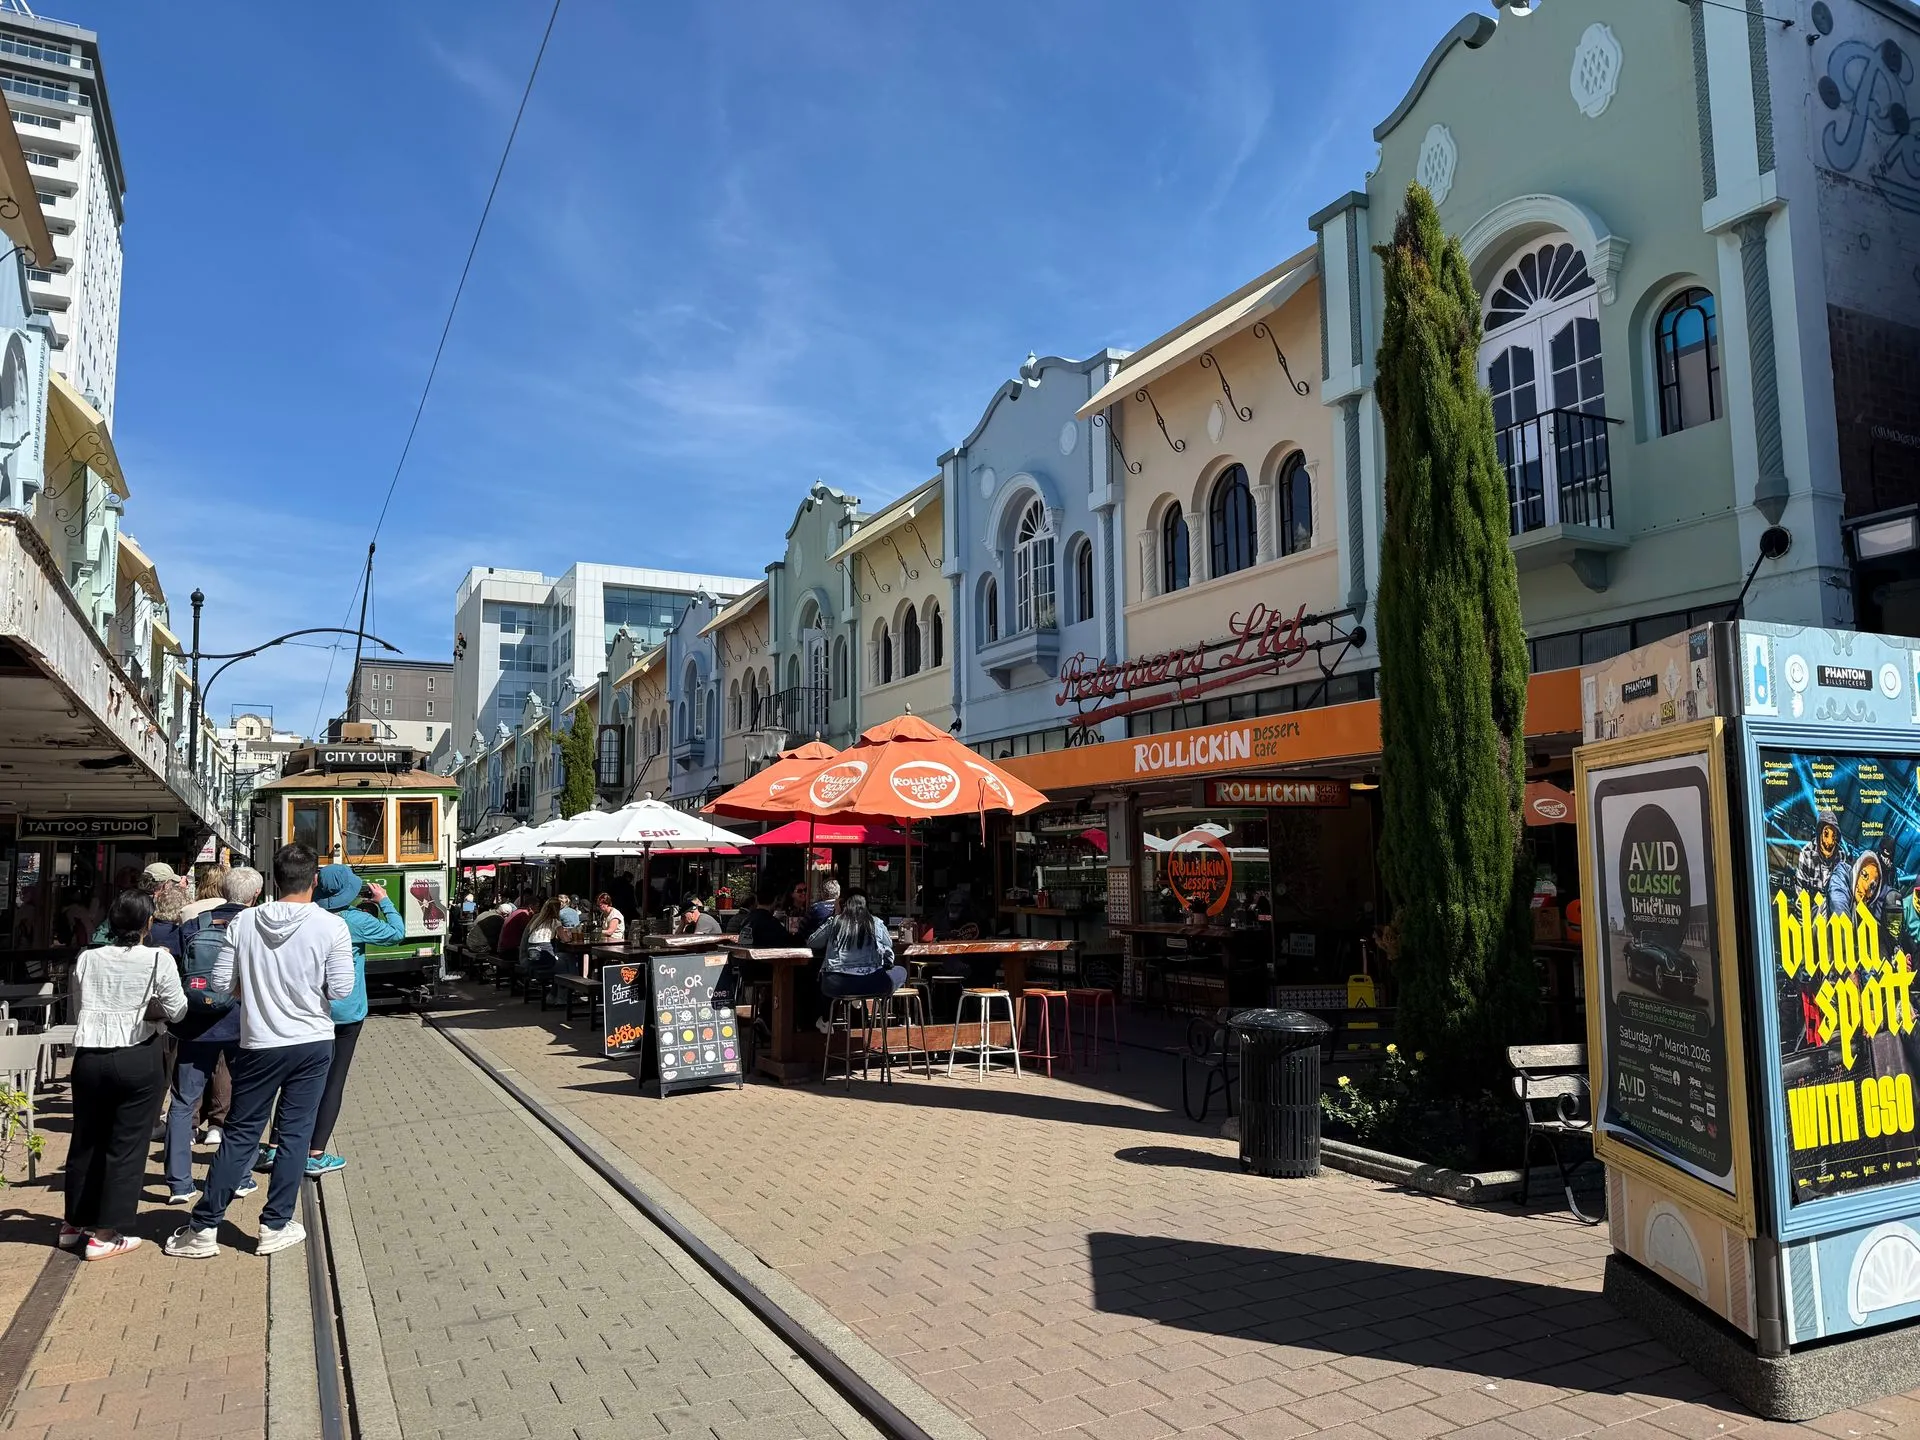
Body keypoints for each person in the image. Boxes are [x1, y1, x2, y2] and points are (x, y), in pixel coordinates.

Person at [165, 844, 352, 1261]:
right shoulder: (331, 926)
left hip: (259, 1042)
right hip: (312, 1042)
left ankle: (204, 1227)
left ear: (273, 879)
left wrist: (248, 987)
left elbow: (218, 982)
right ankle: (275, 1225)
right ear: (315, 880)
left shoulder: (244, 922)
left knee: (242, 1133)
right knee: (295, 1136)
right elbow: (341, 990)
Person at [60, 890, 188, 1259]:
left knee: (85, 1139)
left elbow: (79, 1006)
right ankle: (104, 1234)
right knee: (127, 1145)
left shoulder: (87, 958)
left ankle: (73, 1223)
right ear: (147, 923)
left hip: (89, 1055)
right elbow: (177, 1011)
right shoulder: (156, 960)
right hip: (137, 1054)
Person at [257, 865, 404, 1179]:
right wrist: (384, 901)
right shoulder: (355, 921)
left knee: (294, 1079)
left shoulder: (305, 918)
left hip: (307, 1011)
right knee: (333, 1081)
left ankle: (274, 1146)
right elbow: (397, 933)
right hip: (346, 1013)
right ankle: (315, 1154)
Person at [163, 867, 264, 1203]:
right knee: (244, 1101)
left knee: (182, 1103)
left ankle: (179, 1184)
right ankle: (240, 1176)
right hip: (240, 1026)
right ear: (254, 897)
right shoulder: (257, 927)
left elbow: (174, 972)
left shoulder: (193, 925)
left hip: (194, 1027)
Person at [810, 889, 906, 1003]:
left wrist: (836, 914)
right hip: (871, 983)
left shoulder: (834, 922)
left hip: (835, 985)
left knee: (850, 984)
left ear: (842, 904)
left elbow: (813, 942)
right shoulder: (875, 922)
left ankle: (854, 1001)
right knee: (901, 971)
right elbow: (889, 944)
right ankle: (874, 1008)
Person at [521, 898, 563, 991]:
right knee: (564, 962)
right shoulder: (555, 921)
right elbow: (565, 939)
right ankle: (560, 994)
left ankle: (557, 994)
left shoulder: (537, 919)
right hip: (544, 956)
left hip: (531, 957)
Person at [736, 882, 790, 947]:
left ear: (757, 900)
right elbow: (785, 944)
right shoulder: (773, 924)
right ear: (775, 900)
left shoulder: (746, 920)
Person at [497, 889, 534, 971]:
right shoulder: (524, 915)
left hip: (504, 949)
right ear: (531, 906)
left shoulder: (518, 911)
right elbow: (528, 933)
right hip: (509, 951)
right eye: (537, 907)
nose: (538, 910)